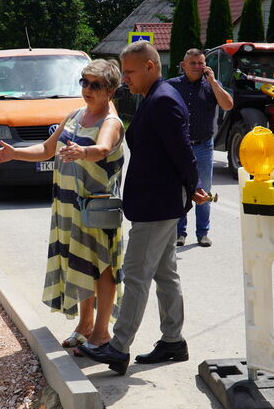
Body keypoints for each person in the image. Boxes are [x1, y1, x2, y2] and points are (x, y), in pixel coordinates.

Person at [79, 41, 207, 375]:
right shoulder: (155, 97)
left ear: (151, 67)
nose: (125, 80)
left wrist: (193, 187)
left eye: (131, 72)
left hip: (158, 205)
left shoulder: (163, 100)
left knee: (135, 276)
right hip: (159, 202)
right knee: (166, 274)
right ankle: (173, 341)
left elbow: (183, 151)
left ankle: (118, 348)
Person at [0, 59, 125, 353]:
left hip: (95, 208)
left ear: (111, 91)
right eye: (84, 82)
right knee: (79, 263)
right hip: (69, 207)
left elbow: (102, 149)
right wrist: (16, 153)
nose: (87, 89)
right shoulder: (75, 115)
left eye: (95, 85)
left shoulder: (110, 122)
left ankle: (101, 333)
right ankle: (85, 325)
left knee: (101, 266)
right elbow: (47, 150)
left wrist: (82, 151)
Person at [167, 48, 233, 248]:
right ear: (184, 65)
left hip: (204, 146)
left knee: (203, 190)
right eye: (193, 63)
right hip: (179, 147)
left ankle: (203, 233)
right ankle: (180, 232)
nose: (197, 66)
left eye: (201, 63)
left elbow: (228, 105)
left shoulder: (211, 86)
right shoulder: (172, 86)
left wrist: (213, 81)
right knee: (180, 191)